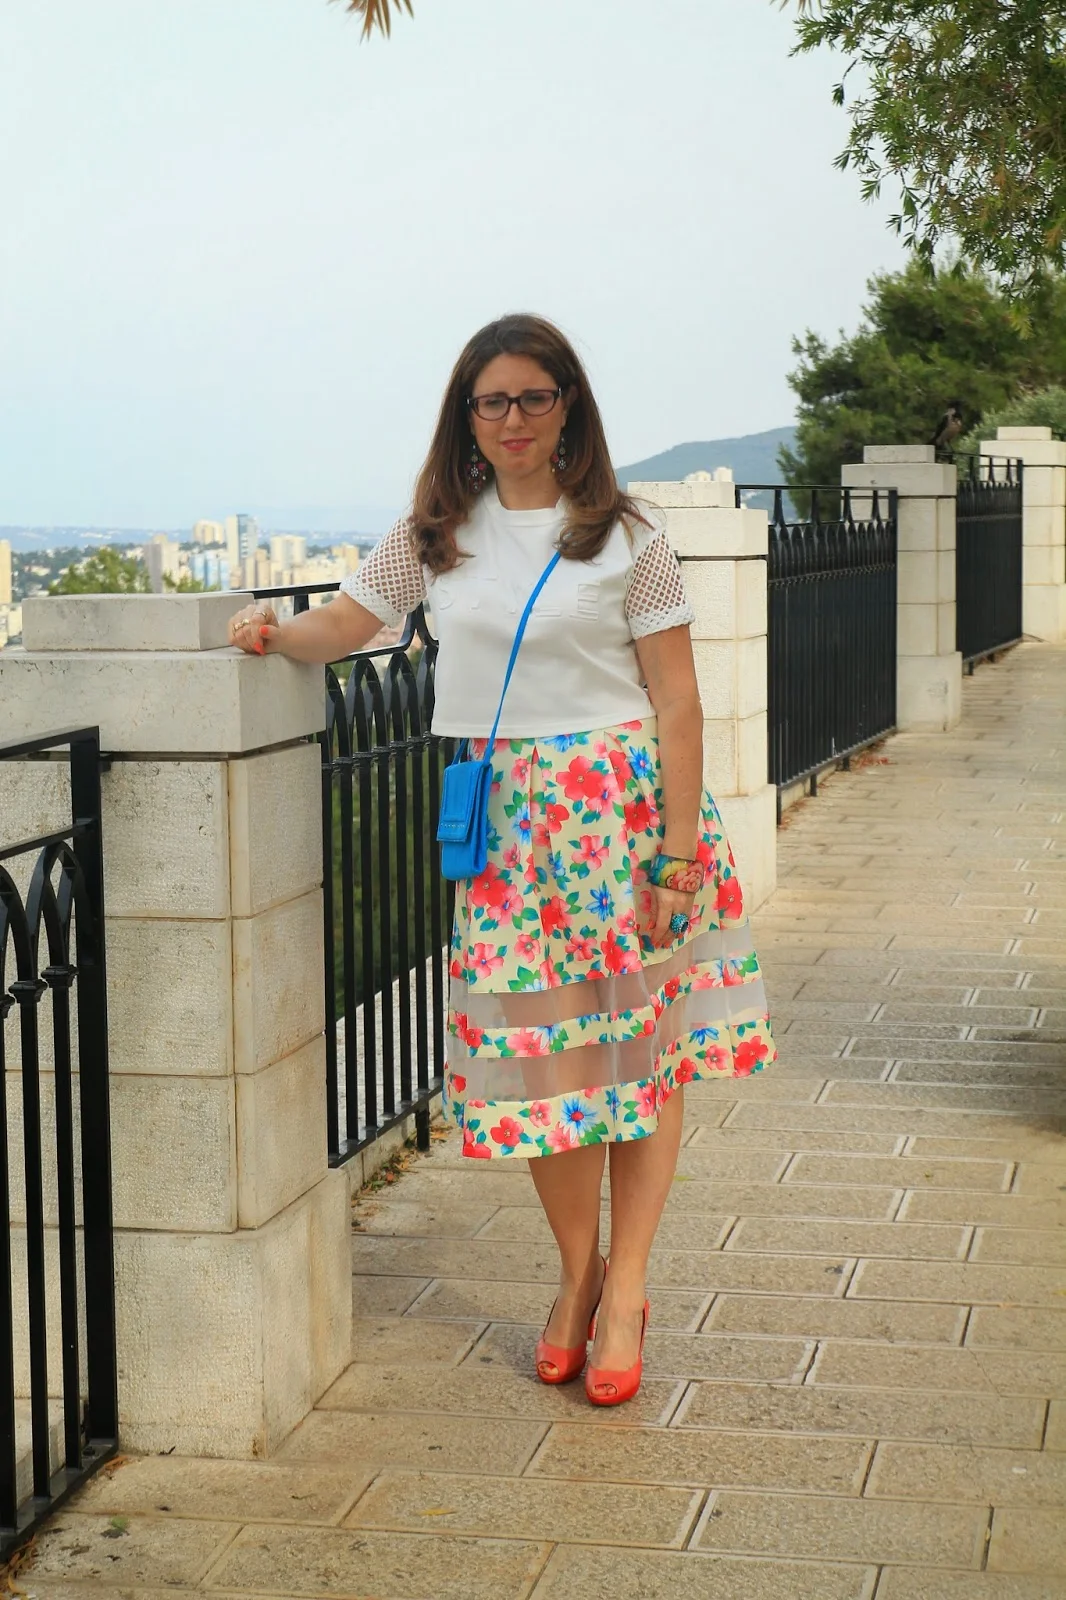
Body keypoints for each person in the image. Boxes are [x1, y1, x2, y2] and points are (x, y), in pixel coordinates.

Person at [228, 313, 775, 1406]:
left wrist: (675, 854)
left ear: (568, 406)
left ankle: (629, 1291)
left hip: (623, 817)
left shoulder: (627, 536)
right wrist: (270, 636)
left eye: (533, 396)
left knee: (645, 1054)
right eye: (493, 401)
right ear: (466, 418)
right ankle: (578, 1277)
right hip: (512, 834)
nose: (513, 418)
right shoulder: (434, 533)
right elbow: (348, 625)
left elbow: (677, 699)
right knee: (547, 1059)